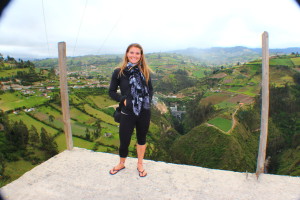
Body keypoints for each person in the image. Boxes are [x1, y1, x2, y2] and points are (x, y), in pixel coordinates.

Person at [108, 43, 153, 177]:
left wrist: (147, 101)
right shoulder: (119, 72)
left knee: (141, 138)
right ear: (127, 54)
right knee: (124, 139)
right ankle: (121, 163)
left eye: (137, 53)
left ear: (141, 56)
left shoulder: (145, 71)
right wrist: (124, 100)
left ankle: (140, 164)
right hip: (127, 112)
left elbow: (150, 89)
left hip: (144, 112)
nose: (134, 55)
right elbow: (111, 92)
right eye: (131, 52)